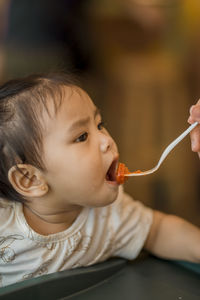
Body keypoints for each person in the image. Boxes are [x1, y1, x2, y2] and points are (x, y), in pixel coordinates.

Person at [0, 73, 199, 287]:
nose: (107, 140)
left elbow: (158, 231)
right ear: (29, 179)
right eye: (82, 137)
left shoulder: (112, 215)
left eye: (99, 124)